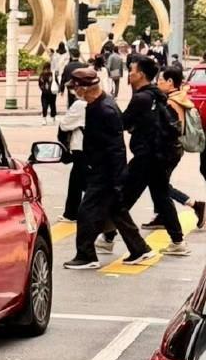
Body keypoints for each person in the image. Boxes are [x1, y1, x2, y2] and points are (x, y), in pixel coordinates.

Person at [64, 68, 152, 270]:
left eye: (75, 87)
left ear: (84, 88)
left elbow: (116, 148)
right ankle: (140, 249)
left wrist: (116, 179)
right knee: (116, 211)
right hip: (101, 169)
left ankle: (86, 255)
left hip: (106, 172)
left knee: (86, 212)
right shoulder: (97, 105)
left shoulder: (105, 109)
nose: (73, 91)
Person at [119, 55, 188, 256]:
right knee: (161, 195)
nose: (129, 74)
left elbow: (123, 122)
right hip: (159, 154)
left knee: (122, 198)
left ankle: (110, 238)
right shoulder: (157, 94)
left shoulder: (141, 98)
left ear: (140, 74)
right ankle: (178, 241)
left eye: (132, 70)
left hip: (146, 156)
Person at [143, 65, 206, 230]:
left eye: (161, 80)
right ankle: (161, 215)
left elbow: (170, 128)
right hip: (175, 148)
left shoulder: (172, 101)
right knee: (159, 183)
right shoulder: (181, 96)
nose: (158, 83)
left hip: (169, 149)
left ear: (170, 82)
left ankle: (195, 205)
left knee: (159, 184)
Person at [57, 92, 87, 221]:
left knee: (82, 181)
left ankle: (72, 213)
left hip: (81, 147)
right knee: (77, 180)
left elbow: (64, 125)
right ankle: (71, 212)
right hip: (95, 147)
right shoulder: (105, 101)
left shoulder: (79, 104)